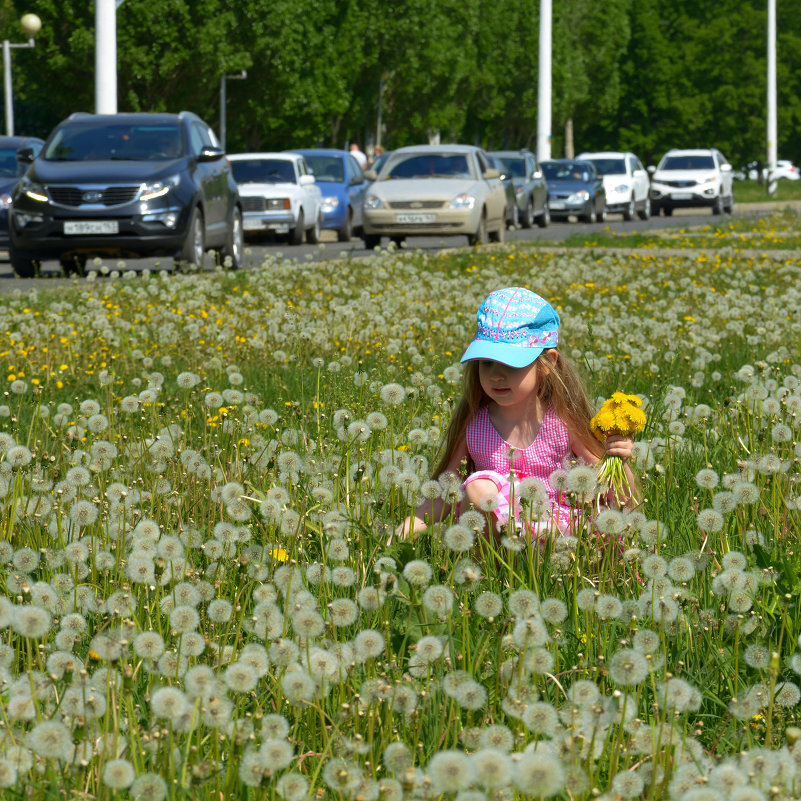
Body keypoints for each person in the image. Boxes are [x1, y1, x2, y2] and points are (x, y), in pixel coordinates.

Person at [398, 286, 635, 539]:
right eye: (487, 362)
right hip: (495, 548)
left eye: (511, 364)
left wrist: (618, 460)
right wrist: (396, 539)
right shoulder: (475, 426)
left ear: (549, 363)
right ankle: (489, 574)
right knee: (478, 488)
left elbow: (618, 497)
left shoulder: (562, 424)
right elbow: (445, 493)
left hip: (556, 539)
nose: (496, 375)